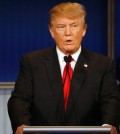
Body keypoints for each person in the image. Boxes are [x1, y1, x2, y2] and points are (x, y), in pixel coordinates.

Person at [8, 2, 120, 134]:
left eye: (74, 26)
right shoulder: (32, 62)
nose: (68, 33)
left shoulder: (102, 65)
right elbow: (20, 100)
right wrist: (22, 125)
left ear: (84, 30)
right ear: (51, 31)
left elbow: (110, 100)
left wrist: (107, 126)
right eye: (61, 27)